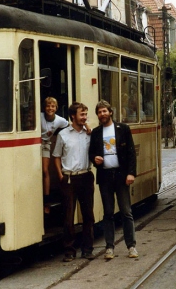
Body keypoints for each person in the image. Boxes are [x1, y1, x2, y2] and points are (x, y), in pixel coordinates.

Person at [89, 99, 138, 259]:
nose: (102, 114)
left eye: (104, 111)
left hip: (121, 176)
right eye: (99, 112)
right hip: (105, 177)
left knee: (126, 211)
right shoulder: (96, 132)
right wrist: (94, 159)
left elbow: (131, 153)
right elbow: (91, 153)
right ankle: (109, 247)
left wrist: (131, 173)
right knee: (108, 213)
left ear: (110, 112)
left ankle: (131, 246)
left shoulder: (123, 129)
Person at [52, 102, 95, 262]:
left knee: (88, 215)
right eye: (81, 115)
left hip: (86, 176)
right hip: (69, 178)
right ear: (72, 116)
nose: (84, 118)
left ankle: (87, 250)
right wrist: (60, 175)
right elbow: (56, 156)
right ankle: (69, 251)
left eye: (85, 114)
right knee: (68, 217)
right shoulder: (63, 135)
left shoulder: (89, 133)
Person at [41, 97, 68, 214]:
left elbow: (69, 126)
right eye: (48, 106)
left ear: (56, 108)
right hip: (34, 143)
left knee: (45, 171)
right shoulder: (40, 116)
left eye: (53, 106)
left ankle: (46, 202)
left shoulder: (60, 120)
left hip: (46, 144)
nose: (50, 108)